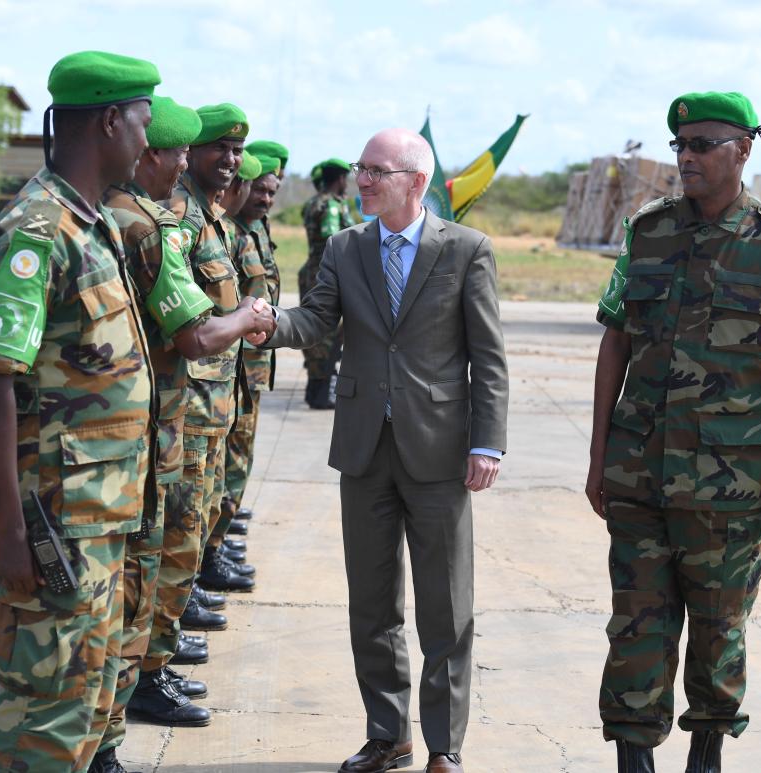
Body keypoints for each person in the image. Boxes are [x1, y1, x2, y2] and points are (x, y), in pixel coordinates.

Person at [254, 127, 509, 773]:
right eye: (361, 169)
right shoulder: (345, 247)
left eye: (377, 170)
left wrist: (488, 443)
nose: (362, 179)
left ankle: (444, 746)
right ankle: (387, 734)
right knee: (372, 604)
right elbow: (316, 319)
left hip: (441, 451)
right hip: (365, 449)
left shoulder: (467, 251)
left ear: (416, 182)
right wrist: (268, 322)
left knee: (446, 609)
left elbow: (488, 356)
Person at [585, 91, 761, 773]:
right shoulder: (649, 232)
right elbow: (615, 343)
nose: (685, 158)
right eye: (679, 147)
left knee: (720, 633)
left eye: (700, 146)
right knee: (636, 627)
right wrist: (599, 456)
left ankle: (706, 758)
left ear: (742, 150)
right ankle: (634, 760)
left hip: (732, 490)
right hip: (639, 477)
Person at [0, 51, 160, 773]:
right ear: (110, 120)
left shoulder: (91, 223)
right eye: (141, 122)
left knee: (85, 695)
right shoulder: (36, 232)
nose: (147, 137)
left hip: (99, 517)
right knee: (42, 712)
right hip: (52, 525)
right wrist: (11, 530)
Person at [100, 98, 275, 744]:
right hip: (171, 419)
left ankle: (149, 668)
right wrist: (251, 318)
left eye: (236, 153)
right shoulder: (157, 225)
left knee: (172, 553)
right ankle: (145, 676)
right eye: (197, 151)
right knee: (157, 559)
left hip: (192, 414)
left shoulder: (188, 221)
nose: (227, 163)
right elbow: (196, 334)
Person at [157, 103, 258, 598]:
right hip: (189, 403)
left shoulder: (210, 215)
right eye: (220, 146)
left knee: (201, 509)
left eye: (237, 150)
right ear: (189, 150)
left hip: (214, 402)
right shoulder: (179, 212)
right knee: (183, 518)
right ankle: (165, 631)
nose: (230, 158)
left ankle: (184, 595)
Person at [213, 152, 279, 560]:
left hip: (247, 370)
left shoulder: (248, 231)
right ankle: (211, 553)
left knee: (235, 460)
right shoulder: (225, 232)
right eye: (257, 189)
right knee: (224, 464)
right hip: (226, 373)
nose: (265, 199)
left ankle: (216, 543)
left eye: (273, 191)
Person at [300, 158, 355, 409]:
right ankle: (321, 392)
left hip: (312, 270)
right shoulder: (331, 205)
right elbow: (336, 237)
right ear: (340, 179)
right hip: (327, 274)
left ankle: (315, 389)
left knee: (315, 331)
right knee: (327, 334)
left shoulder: (313, 202)